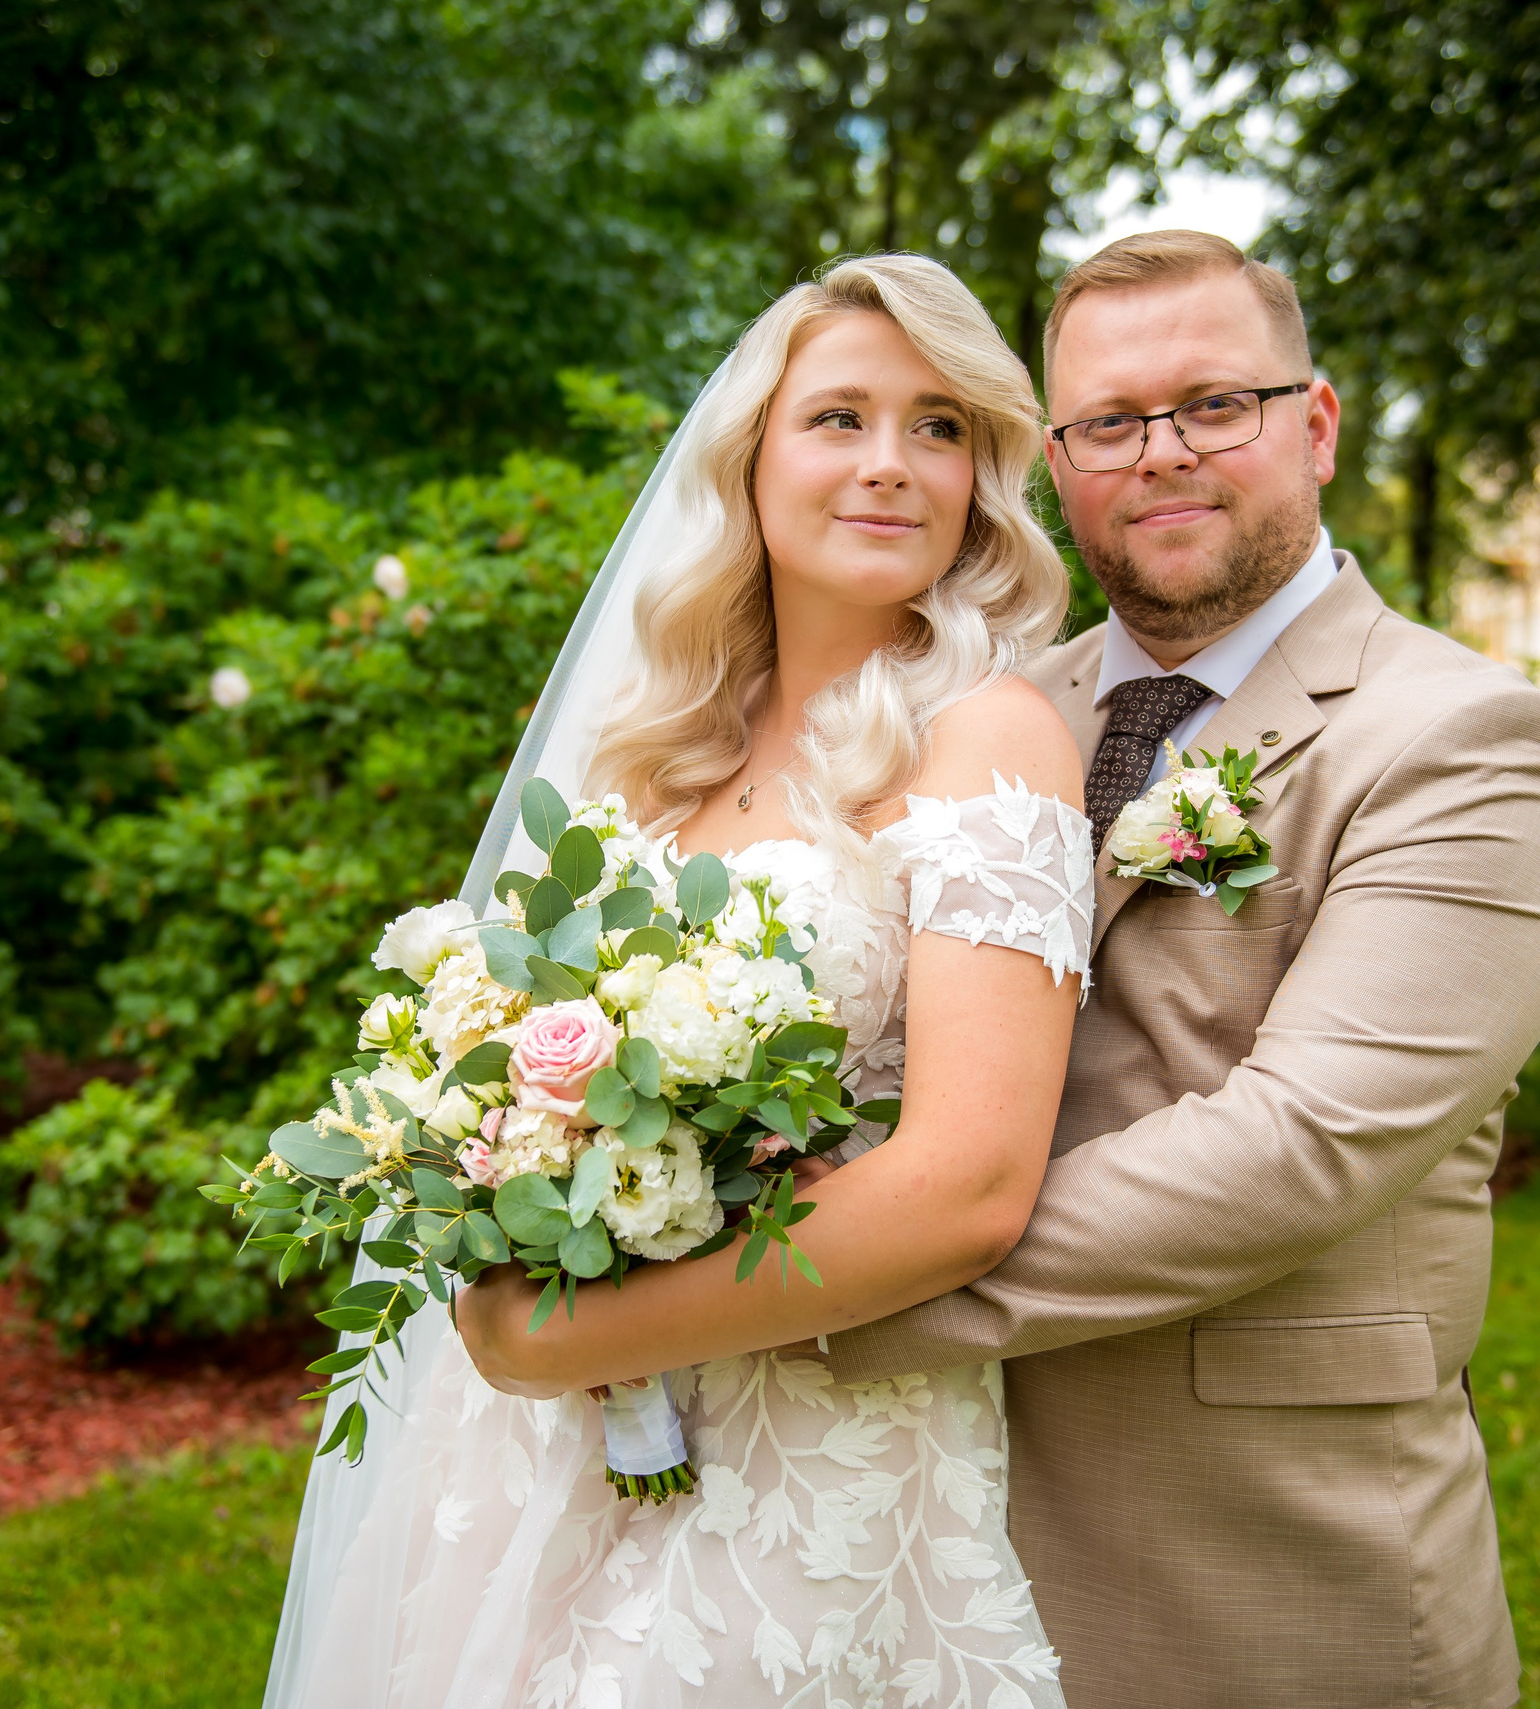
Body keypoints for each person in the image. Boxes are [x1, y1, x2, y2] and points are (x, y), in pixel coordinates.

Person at [462, 232, 1540, 1708]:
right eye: (1110, 423)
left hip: (1254, 1543)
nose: (1162, 455)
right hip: (909, 1516)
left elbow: (1300, 1146)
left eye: (1215, 404)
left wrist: (772, 1291)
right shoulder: (964, 704)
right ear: (1054, 460)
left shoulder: (1461, 739)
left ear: (1315, 425)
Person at [267, 253, 1091, 1707]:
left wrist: (559, 1334)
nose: (891, 465)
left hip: (807, 1459)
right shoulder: (656, 750)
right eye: (838, 417)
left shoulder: (989, 733)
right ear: (751, 458)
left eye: (940, 425)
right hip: (539, 1452)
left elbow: (971, 1181)